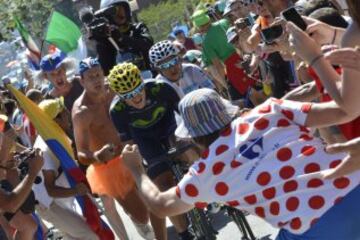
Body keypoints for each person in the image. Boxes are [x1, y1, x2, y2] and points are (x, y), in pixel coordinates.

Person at [121, 88, 360, 240]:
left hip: (314, 227)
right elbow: (343, 112)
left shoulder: (206, 171)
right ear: (227, 112)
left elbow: (162, 205)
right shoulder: (269, 110)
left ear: (193, 137)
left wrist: (136, 170)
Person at [108, 63, 194, 240]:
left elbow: (187, 117)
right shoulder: (117, 111)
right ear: (120, 97)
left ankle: (204, 181)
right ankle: (184, 233)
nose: (136, 97)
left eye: (138, 89)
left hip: (169, 128)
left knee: (188, 149)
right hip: (144, 140)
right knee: (162, 186)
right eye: (129, 95)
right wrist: (137, 164)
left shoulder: (160, 88)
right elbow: (129, 145)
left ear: (143, 83)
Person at [72, 58, 154, 240]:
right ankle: (143, 226)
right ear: (81, 81)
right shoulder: (81, 112)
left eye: (98, 74)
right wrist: (98, 156)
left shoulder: (116, 87)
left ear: (104, 73)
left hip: (135, 148)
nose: (96, 80)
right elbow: (81, 154)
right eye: (90, 77)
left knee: (157, 198)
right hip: (111, 166)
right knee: (142, 215)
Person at [33, 98, 99, 240]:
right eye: (62, 112)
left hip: (61, 201)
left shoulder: (56, 136)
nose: (68, 114)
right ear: (55, 121)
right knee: (90, 235)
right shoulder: (44, 148)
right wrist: (76, 191)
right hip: (50, 205)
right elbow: (50, 189)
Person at [191, 9, 256, 100]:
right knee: (258, 86)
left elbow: (218, 65)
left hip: (233, 66)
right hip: (246, 55)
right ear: (208, 19)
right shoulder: (224, 22)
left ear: (199, 27)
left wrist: (226, 85)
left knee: (244, 98)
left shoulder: (206, 43)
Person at [95, 0, 154, 76]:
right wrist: (101, 42)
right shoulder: (107, 40)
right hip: (123, 84)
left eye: (121, 10)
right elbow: (105, 70)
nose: (119, 15)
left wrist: (122, 38)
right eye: (114, 12)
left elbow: (148, 44)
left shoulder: (138, 28)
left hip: (149, 76)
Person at [149, 40, 215, 97]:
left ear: (180, 59)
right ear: (158, 70)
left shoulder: (192, 69)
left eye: (174, 61)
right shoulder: (158, 85)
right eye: (164, 66)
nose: (172, 69)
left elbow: (213, 93)